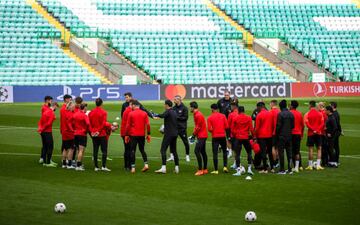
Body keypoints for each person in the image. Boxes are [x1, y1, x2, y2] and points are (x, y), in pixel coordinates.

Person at [125, 100, 151, 173]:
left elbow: (127, 125)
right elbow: (148, 125)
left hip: (133, 135)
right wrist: (148, 134)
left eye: (132, 105)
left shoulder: (131, 113)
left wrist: (126, 135)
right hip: (142, 135)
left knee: (132, 150)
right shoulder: (144, 113)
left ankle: (133, 168)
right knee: (142, 150)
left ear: (134, 105)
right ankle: (146, 165)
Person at [153, 100, 179, 174]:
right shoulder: (174, 111)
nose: (164, 106)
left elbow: (162, 115)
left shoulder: (168, 111)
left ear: (167, 105)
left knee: (163, 150)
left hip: (169, 134)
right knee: (174, 151)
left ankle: (163, 168)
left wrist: (155, 114)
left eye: (164, 105)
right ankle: (177, 167)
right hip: (175, 134)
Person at [89, 98, 111, 172]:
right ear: (101, 103)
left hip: (94, 134)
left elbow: (89, 124)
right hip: (102, 134)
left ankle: (96, 167)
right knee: (104, 150)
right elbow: (103, 124)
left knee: (95, 150)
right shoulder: (104, 112)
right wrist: (98, 131)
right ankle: (103, 166)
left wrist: (92, 131)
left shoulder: (91, 112)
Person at [232, 106, 254, 176]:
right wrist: (253, 136)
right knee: (249, 152)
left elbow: (232, 129)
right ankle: (249, 168)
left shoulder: (235, 118)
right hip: (246, 137)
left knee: (237, 154)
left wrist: (236, 134)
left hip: (238, 137)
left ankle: (238, 170)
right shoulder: (248, 118)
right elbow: (251, 128)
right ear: (244, 111)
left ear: (238, 111)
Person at [207, 104, 229, 174]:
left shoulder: (210, 118)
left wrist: (214, 130)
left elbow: (210, 129)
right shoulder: (223, 116)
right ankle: (225, 167)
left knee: (215, 153)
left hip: (215, 137)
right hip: (222, 136)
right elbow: (227, 126)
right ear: (218, 109)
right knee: (224, 151)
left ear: (212, 109)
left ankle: (216, 170)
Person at [167, 95, 190, 162]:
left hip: (182, 128)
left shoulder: (184, 108)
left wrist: (177, 117)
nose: (174, 101)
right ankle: (172, 156)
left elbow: (185, 118)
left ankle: (187, 155)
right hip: (174, 128)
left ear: (179, 100)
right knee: (172, 142)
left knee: (185, 142)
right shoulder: (173, 108)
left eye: (175, 99)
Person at [304, 100, 325, 171]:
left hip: (311, 133)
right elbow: (322, 123)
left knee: (311, 149)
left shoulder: (307, 114)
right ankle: (318, 165)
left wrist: (313, 130)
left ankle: (310, 165)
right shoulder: (320, 114)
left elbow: (307, 124)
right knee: (319, 149)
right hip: (318, 133)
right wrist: (317, 130)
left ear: (310, 105)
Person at [189, 101, 208, 176]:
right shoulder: (197, 114)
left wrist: (193, 135)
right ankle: (205, 169)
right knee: (203, 152)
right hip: (202, 135)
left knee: (196, 151)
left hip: (201, 136)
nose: (189, 108)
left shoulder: (198, 115)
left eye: (190, 107)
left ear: (193, 107)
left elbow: (198, 127)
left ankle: (200, 170)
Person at [276, 100, 294, 174]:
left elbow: (278, 126)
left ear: (280, 107)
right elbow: (293, 126)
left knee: (281, 153)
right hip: (289, 136)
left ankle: (282, 169)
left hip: (282, 136)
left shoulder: (280, 114)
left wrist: (277, 134)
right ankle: (290, 169)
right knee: (289, 153)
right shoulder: (291, 114)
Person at [254, 102, 274, 173]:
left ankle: (265, 169)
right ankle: (272, 168)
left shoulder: (259, 115)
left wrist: (255, 136)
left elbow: (257, 128)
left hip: (262, 136)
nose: (257, 109)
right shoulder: (270, 113)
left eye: (257, 108)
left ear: (259, 107)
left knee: (263, 152)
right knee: (270, 152)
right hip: (270, 136)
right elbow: (273, 125)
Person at [38, 102, 58, 167]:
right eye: (56, 107)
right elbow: (48, 123)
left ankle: (44, 162)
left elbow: (40, 121)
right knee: (50, 147)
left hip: (43, 132)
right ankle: (48, 162)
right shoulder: (51, 113)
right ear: (54, 106)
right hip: (47, 132)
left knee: (44, 146)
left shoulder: (46, 111)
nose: (56, 108)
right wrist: (42, 129)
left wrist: (40, 129)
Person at [73, 103, 89, 171]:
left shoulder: (75, 114)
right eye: (86, 108)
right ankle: (78, 166)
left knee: (78, 150)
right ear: (84, 108)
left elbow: (72, 123)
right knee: (81, 150)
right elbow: (88, 123)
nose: (87, 109)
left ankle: (78, 163)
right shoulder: (84, 115)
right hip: (82, 134)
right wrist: (86, 130)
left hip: (76, 133)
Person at [217, 90, 233, 158]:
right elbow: (217, 109)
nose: (226, 96)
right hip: (221, 121)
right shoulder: (220, 101)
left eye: (227, 95)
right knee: (220, 134)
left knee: (228, 136)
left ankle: (229, 151)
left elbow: (235, 110)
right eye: (225, 95)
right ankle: (221, 145)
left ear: (229, 95)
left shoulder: (232, 101)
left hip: (229, 121)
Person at [289, 100, 304, 173]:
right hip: (298, 134)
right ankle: (297, 167)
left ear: (291, 106)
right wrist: (302, 134)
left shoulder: (289, 113)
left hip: (291, 134)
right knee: (297, 151)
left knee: (291, 151)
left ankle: (291, 167)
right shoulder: (299, 114)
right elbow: (302, 125)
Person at [61, 101, 76, 169]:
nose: (74, 108)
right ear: (71, 106)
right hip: (69, 133)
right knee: (71, 149)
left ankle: (64, 164)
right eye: (74, 107)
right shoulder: (70, 114)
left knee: (65, 148)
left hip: (64, 132)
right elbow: (69, 123)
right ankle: (69, 164)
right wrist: (72, 130)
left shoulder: (64, 112)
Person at [39, 95, 53, 164]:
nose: (51, 101)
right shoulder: (45, 108)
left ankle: (43, 158)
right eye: (50, 100)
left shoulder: (46, 107)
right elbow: (47, 117)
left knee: (45, 145)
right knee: (47, 145)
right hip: (46, 129)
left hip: (44, 128)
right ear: (47, 100)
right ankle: (45, 159)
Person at [120, 101, 133, 171]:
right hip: (127, 133)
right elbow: (129, 124)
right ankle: (129, 165)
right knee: (129, 149)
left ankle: (126, 166)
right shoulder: (129, 111)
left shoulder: (126, 110)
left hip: (124, 132)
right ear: (132, 104)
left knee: (127, 149)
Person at [60, 94, 73, 160]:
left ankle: (64, 161)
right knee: (69, 147)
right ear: (66, 99)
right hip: (67, 130)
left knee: (65, 146)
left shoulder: (63, 108)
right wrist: (72, 130)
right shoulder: (65, 109)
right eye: (70, 99)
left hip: (64, 129)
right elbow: (67, 121)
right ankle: (67, 161)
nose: (71, 101)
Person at [228, 101, 239, 169]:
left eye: (231, 106)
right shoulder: (240, 113)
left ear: (234, 106)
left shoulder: (231, 114)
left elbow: (228, 125)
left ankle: (236, 163)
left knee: (235, 150)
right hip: (241, 134)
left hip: (234, 135)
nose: (231, 107)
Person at [270, 100, 280, 168]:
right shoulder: (280, 111)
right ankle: (278, 162)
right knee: (278, 148)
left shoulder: (270, 112)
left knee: (272, 147)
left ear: (272, 104)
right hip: (279, 132)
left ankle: (274, 162)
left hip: (272, 132)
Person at [318, 102, 329, 166]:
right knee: (323, 148)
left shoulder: (322, 113)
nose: (317, 107)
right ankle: (325, 161)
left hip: (322, 133)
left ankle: (324, 162)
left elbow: (324, 123)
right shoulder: (324, 113)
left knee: (322, 148)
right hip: (323, 132)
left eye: (318, 105)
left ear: (321, 106)